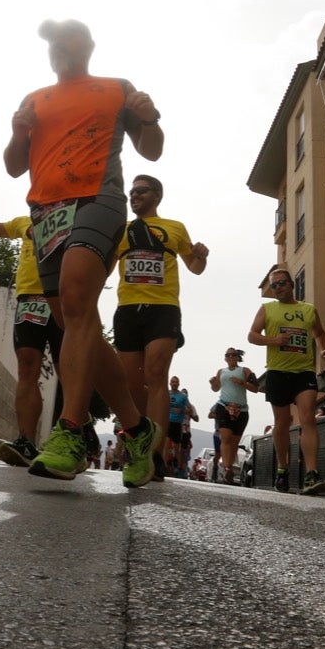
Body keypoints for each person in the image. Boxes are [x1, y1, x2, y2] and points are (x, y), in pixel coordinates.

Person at [3, 18, 163, 485]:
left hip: (99, 200)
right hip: (45, 212)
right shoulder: (34, 99)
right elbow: (14, 166)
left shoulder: (116, 88)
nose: (58, 49)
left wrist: (149, 116)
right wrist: (18, 133)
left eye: (66, 39)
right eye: (51, 44)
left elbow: (152, 151)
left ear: (88, 44)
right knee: (76, 320)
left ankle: (70, 430)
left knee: (75, 300)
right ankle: (136, 429)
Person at [113, 176, 208, 478]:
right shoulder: (122, 230)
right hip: (127, 309)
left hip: (163, 308)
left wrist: (201, 256)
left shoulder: (175, 227)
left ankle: (155, 454)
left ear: (157, 195)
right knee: (130, 383)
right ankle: (140, 437)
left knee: (156, 376)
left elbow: (195, 267)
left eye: (140, 191)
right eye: (131, 192)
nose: (134, 196)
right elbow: (102, 267)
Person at [0, 202, 62, 467]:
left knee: (69, 371)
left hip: (63, 297)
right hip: (29, 299)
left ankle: (75, 435)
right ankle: (26, 440)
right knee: (27, 367)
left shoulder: (74, 218)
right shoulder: (22, 222)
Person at [247, 268, 325, 495]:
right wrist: (274, 340)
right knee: (282, 423)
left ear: (291, 284)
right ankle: (283, 468)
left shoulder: (308, 310)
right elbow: (252, 335)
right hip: (277, 372)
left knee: (308, 419)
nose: (277, 288)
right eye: (274, 286)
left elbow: (320, 333)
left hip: (304, 372)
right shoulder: (267, 309)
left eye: (281, 284)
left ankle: (311, 474)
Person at [208, 347, 260, 485]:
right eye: (228, 355)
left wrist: (242, 383)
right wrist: (213, 383)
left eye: (233, 355)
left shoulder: (244, 371)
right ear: (225, 358)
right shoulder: (221, 372)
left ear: (238, 357)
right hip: (223, 406)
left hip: (241, 410)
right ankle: (227, 469)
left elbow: (256, 388)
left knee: (234, 443)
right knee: (225, 438)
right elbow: (216, 389)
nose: (230, 357)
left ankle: (228, 467)